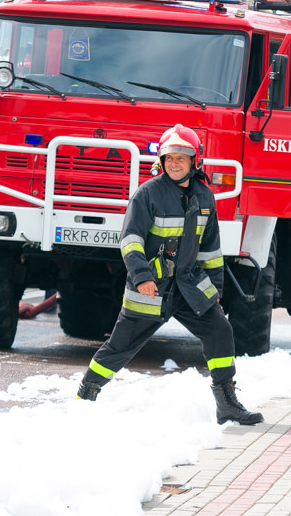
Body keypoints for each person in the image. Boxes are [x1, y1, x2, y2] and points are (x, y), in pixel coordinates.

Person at [76, 124, 264, 425]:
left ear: (194, 161)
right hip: (152, 286)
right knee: (120, 346)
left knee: (220, 330)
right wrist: (142, 277)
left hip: (190, 285)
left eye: (182, 157)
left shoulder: (205, 196)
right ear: (160, 162)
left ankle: (226, 402)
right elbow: (130, 240)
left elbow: (211, 250)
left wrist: (214, 292)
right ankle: (86, 394)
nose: (174, 163)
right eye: (169, 157)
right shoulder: (147, 195)